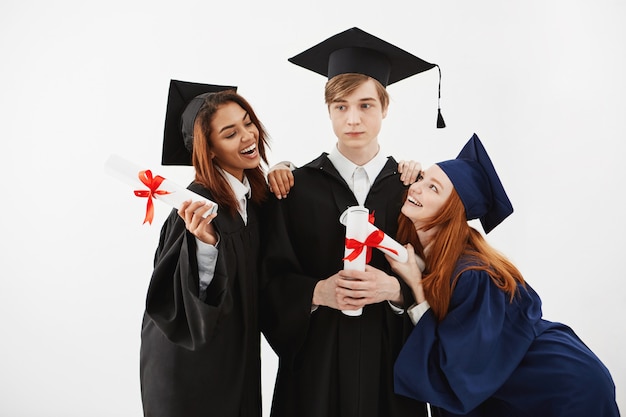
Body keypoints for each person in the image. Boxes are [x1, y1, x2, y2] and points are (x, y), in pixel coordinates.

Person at [362, 133, 620, 416]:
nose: (418, 189)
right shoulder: (431, 257)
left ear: (451, 211)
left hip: (562, 386)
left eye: (433, 188)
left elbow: (456, 366)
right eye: (422, 178)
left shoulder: (474, 275)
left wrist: (413, 283)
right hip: (522, 391)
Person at [260, 27, 444, 417]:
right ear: (328, 110)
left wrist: (395, 289)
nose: (353, 119)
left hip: (392, 370)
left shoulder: (410, 190)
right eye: (340, 106)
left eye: (365, 105)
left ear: (385, 107)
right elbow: (269, 281)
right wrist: (317, 293)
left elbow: (440, 275)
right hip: (315, 372)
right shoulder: (293, 189)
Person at [140, 80, 276, 417]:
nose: (248, 136)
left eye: (248, 122)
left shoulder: (250, 198)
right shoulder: (195, 208)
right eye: (230, 133)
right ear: (209, 149)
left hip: (234, 359)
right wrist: (205, 246)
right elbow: (174, 304)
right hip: (191, 370)